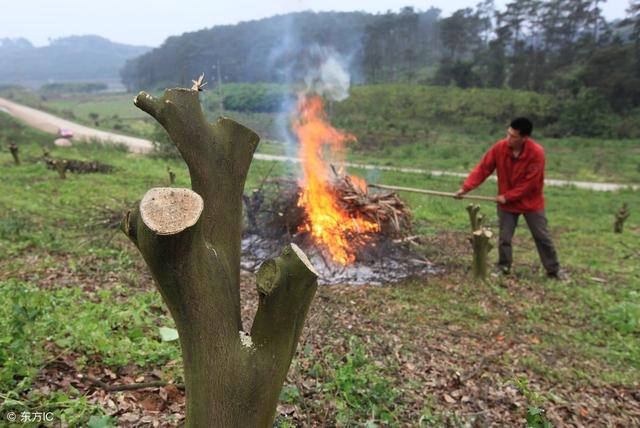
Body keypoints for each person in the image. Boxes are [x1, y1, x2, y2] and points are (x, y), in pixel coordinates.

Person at [454, 117, 561, 278]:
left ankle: (553, 270)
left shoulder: (536, 153)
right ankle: (504, 267)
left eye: (513, 136)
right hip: (507, 205)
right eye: (508, 134)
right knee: (505, 238)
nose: (508, 138)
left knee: (542, 237)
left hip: (531, 203)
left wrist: (508, 196)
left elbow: (529, 184)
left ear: (524, 138)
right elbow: (483, 169)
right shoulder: (500, 148)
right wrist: (466, 188)